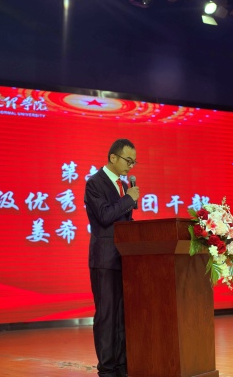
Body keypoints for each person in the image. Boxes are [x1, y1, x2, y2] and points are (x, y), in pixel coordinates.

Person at [84, 138, 140, 377]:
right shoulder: (94, 183)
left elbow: (123, 222)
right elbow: (105, 216)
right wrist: (128, 199)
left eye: (134, 162)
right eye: (128, 160)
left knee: (121, 317)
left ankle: (122, 366)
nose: (131, 166)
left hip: (123, 258)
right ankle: (107, 369)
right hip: (105, 260)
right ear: (113, 157)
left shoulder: (123, 185)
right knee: (107, 316)